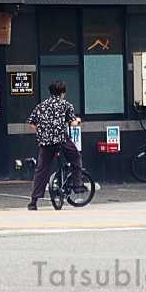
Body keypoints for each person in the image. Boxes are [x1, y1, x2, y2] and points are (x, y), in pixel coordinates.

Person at [26, 82, 83, 211]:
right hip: (61, 140)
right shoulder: (66, 105)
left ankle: (33, 201)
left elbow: (32, 123)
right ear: (63, 92)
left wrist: (42, 132)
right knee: (75, 158)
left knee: (41, 170)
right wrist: (78, 121)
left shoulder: (41, 106)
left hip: (45, 143)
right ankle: (77, 185)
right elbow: (73, 122)